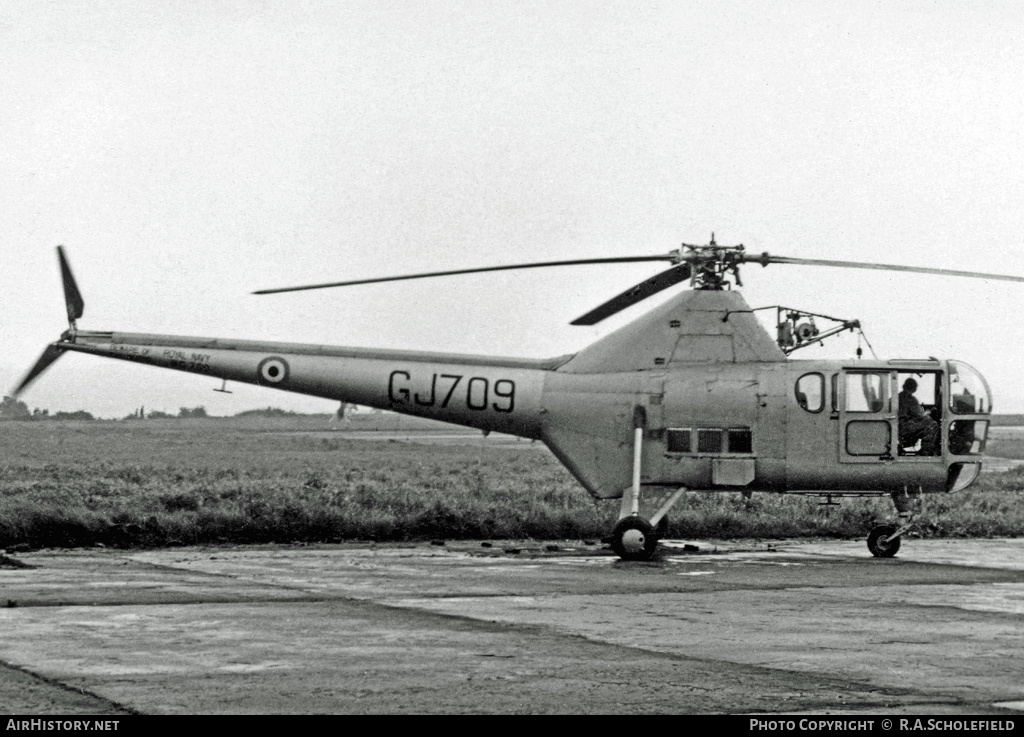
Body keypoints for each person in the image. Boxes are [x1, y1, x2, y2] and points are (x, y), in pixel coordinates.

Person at [898, 378, 939, 455]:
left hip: (897, 426)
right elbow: (919, 415)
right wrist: (928, 412)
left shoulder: (897, 397)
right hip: (904, 427)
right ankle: (925, 453)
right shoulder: (910, 399)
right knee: (932, 425)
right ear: (914, 389)